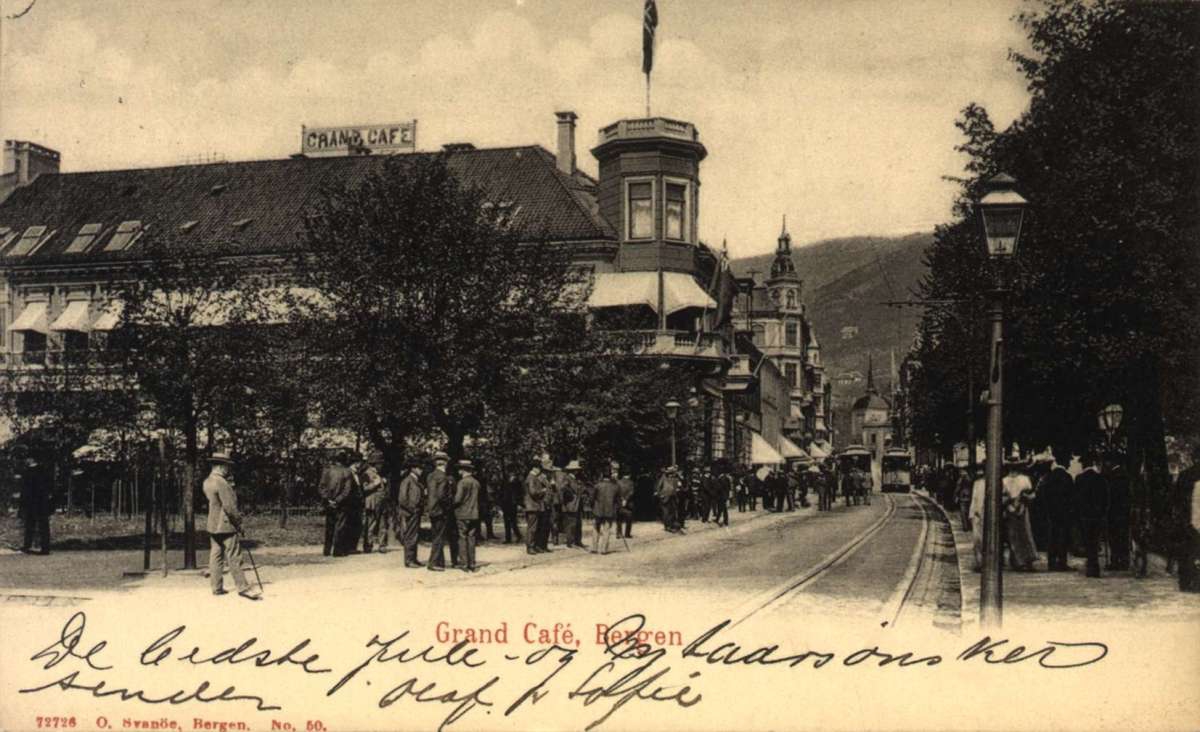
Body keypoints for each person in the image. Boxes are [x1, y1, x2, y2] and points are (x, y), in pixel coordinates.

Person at [202, 452, 260, 600]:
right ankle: (243, 587)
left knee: (215, 556)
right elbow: (230, 507)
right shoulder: (222, 482)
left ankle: (216, 587)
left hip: (212, 524)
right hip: (226, 525)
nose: (228, 470)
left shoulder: (207, 481)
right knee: (234, 556)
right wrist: (239, 523)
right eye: (227, 467)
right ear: (221, 466)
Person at [1038, 447, 1075, 571]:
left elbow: (1044, 496)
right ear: (1065, 462)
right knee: (1063, 536)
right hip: (1064, 513)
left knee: (1052, 536)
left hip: (1051, 513)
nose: (1069, 464)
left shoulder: (1049, 477)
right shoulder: (1067, 477)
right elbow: (1071, 497)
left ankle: (1052, 562)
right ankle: (1062, 562)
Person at [1074, 451, 1108, 578]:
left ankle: (1091, 566)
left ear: (1083, 464)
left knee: (1088, 541)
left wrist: (1078, 513)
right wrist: (1103, 512)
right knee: (1095, 540)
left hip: (1084, 515)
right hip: (1097, 515)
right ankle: (1095, 566)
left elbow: (1076, 499)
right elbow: (1106, 498)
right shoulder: (1100, 478)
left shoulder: (1079, 479)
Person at [318, 449, 356, 557]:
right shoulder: (347, 472)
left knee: (329, 526)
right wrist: (338, 500)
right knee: (340, 526)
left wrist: (328, 499)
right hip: (342, 504)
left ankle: (326, 550)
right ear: (345, 460)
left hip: (329, 503)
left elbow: (321, 487)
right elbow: (347, 490)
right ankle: (337, 550)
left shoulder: (327, 471)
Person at [1002, 457, 1038, 571]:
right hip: (1015, 507)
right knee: (1019, 534)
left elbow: (1029, 495)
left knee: (1019, 534)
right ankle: (1022, 561)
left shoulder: (1005, 480)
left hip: (1017, 507)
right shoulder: (1022, 479)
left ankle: (1022, 561)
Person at [1174, 447, 1200, 592]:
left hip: (1186, 520)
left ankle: (1185, 583)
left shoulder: (1185, 475)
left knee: (1186, 553)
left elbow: (1176, 499)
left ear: (1193, 458)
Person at [17, 451, 52, 555]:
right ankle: (41, 547)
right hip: (40, 501)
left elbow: (25, 489)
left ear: (31, 459)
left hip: (33, 502)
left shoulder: (28, 472)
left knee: (34, 524)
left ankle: (31, 546)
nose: (25, 460)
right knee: (39, 524)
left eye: (27, 458)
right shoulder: (43, 470)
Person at [425, 452, 455, 571]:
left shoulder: (430, 476)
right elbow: (442, 496)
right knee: (439, 537)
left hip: (432, 509)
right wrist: (448, 506)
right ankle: (432, 563)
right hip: (440, 510)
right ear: (445, 463)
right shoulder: (442, 477)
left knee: (436, 535)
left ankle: (440, 562)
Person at [1104, 454, 1132, 572]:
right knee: (1123, 536)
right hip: (1124, 512)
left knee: (1114, 537)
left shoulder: (1111, 476)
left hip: (1113, 512)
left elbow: (1108, 496)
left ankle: (1115, 561)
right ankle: (1124, 561)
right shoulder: (1126, 475)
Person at [396, 456, 425, 568]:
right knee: (410, 536)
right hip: (410, 513)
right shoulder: (407, 481)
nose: (421, 471)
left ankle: (413, 558)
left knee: (415, 535)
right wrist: (412, 510)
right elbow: (402, 499)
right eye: (419, 468)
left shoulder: (416, 481)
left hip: (415, 512)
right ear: (413, 469)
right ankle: (409, 560)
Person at [454, 460, 481, 572]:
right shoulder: (476, 483)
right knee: (471, 538)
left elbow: (458, 499)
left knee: (462, 538)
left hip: (462, 514)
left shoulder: (462, 483)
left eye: (460, 468)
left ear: (464, 470)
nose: (459, 471)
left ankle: (464, 564)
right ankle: (472, 564)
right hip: (474, 514)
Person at [361, 452, 389, 553]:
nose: (381, 465)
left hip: (382, 502)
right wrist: (375, 483)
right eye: (380, 463)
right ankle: (368, 545)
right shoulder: (366, 474)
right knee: (371, 524)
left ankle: (382, 545)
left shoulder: (379, 474)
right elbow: (364, 488)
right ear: (375, 463)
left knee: (383, 523)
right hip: (372, 502)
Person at [592, 465, 620, 555]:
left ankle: (594, 548)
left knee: (596, 528)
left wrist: (593, 507)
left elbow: (592, 498)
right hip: (609, 511)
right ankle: (604, 549)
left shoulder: (597, 486)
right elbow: (618, 500)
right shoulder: (615, 487)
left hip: (598, 510)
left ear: (602, 475)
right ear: (610, 475)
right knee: (606, 529)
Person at [523, 461, 548, 555]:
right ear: (534, 468)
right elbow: (533, 492)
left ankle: (535, 546)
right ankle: (530, 547)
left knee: (536, 527)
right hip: (532, 506)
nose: (540, 471)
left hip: (534, 506)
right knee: (532, 528)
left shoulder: (533, 477)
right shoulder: (531, 478)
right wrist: (543, 491)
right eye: (539, 468)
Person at [560, 461, 585, 548]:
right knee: (571, 524)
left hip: (577, 504)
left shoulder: (576, 479)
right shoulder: (567, 478)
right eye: (575, 470)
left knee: (578, 523)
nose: (577, 471)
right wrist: (571, 494)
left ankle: (578, 541)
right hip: (571, 504)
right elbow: (563, 488)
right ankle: (570, 542)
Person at [969, 461, 986, 572]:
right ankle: (979, 563)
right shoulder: (977, 483)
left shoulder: (993, 483)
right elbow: (974, 499)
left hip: (986, 515)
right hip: (977, 515)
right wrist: (971, 514)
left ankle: (985, 563)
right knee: (977, 541)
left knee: (985, 541)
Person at [500, 471, 522, 544]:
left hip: (513, 505)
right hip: (506, 505)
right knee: (507, 522)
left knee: (513, 522)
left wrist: (519, 504)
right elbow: (502, 494)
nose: (512, 476)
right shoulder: (505, 483)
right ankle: (508, 538)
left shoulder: (517, 483)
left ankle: (518, 535)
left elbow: (519, 494)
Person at [617, 467, 636, 538]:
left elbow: (617, 492)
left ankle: (619, 533)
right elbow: (631, 492)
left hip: (619, 502)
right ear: (629, 474)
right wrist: (626, 500)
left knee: (619, 518)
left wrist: (621, 499)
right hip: (629, 503)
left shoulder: (618, 482)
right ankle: (627, 534)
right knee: (629, 518)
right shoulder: (631, 483)